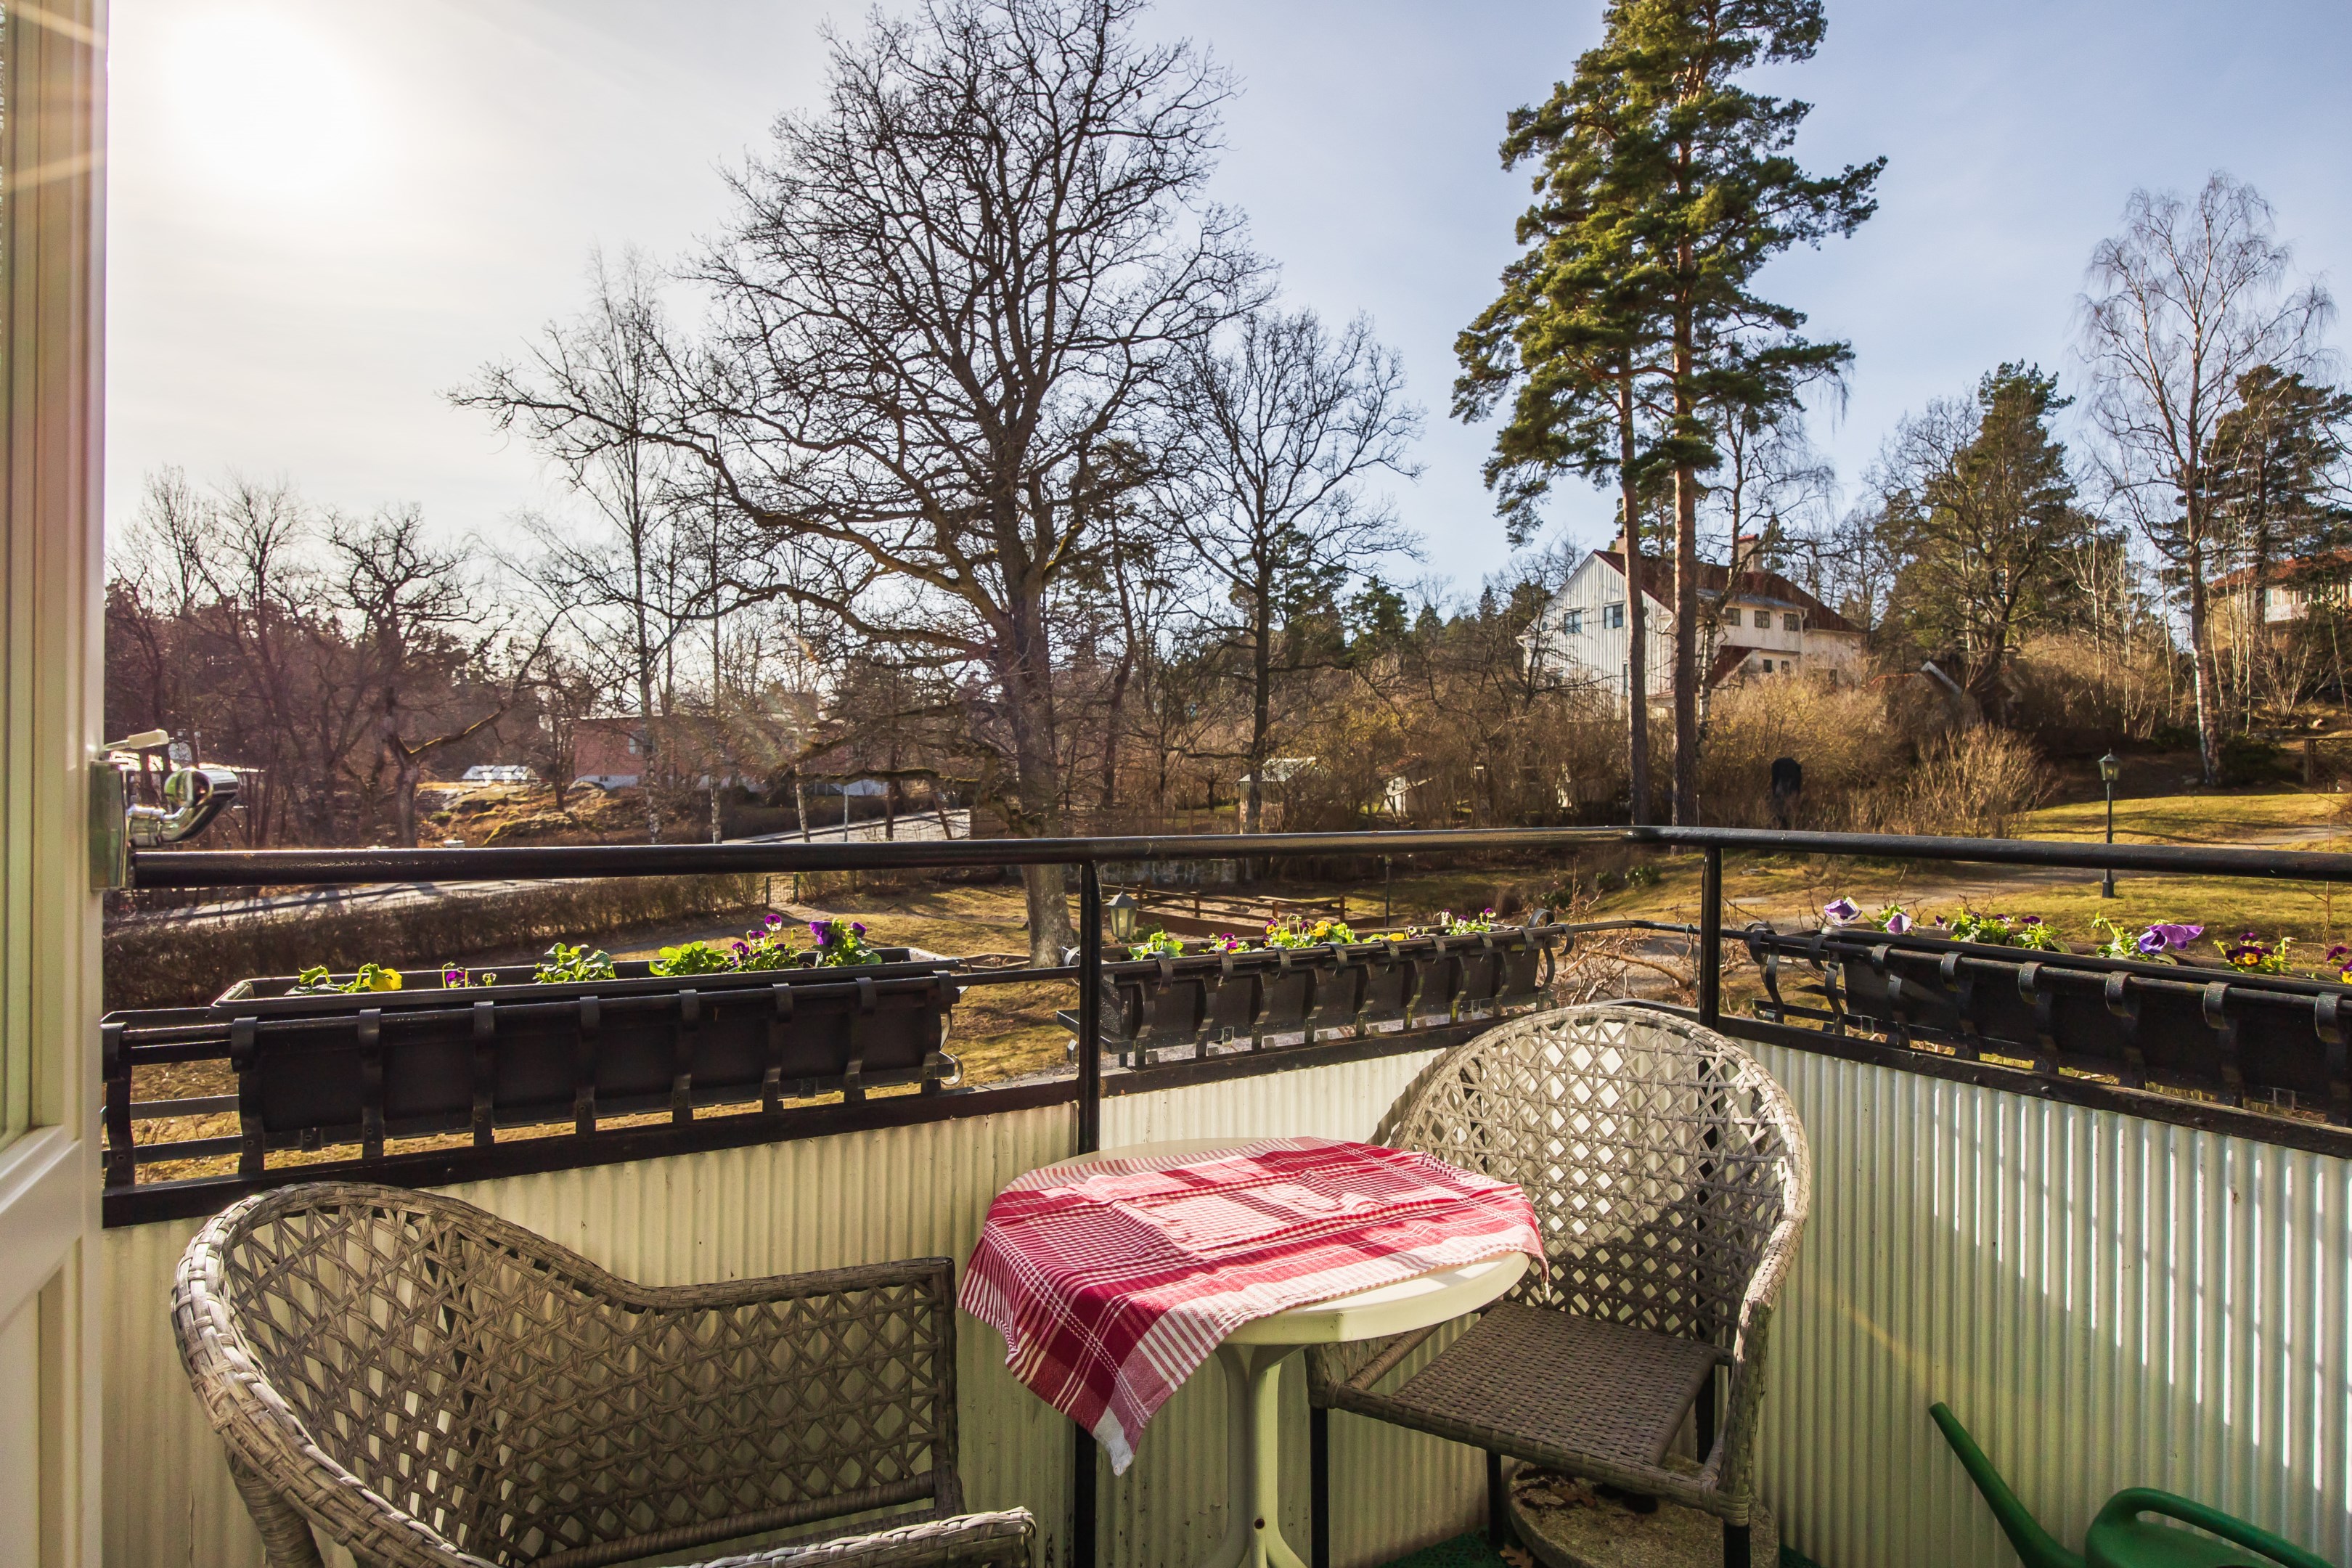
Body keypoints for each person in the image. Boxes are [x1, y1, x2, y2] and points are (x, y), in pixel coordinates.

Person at [1768, 756, 1803, 830]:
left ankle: (1782, 824)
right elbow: (1797, 787)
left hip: (1782, 794)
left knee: (1780, 808)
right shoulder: (1794, 768)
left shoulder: (1777, 765)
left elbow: (1775, 785)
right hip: (1790, 792)